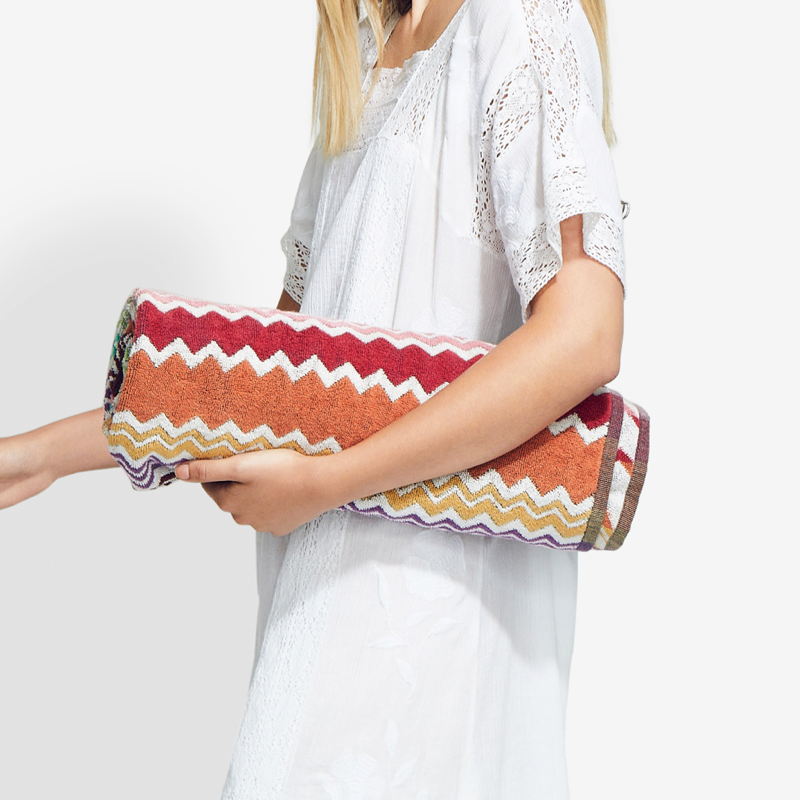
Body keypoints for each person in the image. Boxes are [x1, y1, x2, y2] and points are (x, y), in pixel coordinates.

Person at [0, 0, 627, 796]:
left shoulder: (519, 20)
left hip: (434, 629)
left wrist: (326, 482)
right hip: (320, 604)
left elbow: (583, 337)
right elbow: (283, 390)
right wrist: (40, 457)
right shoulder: (366, 51)